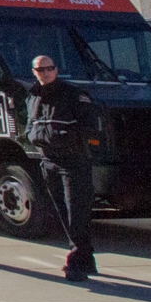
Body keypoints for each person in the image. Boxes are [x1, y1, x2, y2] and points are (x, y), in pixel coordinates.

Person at [26, 55, 99, 281]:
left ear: (56, 70)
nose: (45, 72)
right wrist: (33, 137)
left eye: (49, 68)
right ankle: (86, 259)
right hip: (48, 161)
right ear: (34, 72)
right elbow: (29, 124)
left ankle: (76, 264)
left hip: (73, 161)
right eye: (40, 69)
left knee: (76, 212)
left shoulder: (74, 94)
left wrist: (66, 139)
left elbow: (90, 126)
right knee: (62, 212)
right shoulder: (32, 96)